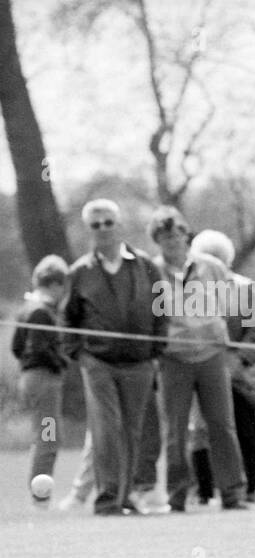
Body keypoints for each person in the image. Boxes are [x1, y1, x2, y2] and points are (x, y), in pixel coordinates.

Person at [63, 199, 167, 516]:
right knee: (106, 428)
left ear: (119, 225)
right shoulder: (79, 272)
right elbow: (68, 319)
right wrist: (79, 354)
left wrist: (155, 350)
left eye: (109, 222)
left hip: (139, 362)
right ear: (89, 230)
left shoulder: (146, 265)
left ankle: (127, 497)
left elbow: (161, 312)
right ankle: (107, 498)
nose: (104, 229)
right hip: (98, 363)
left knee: (132, 430)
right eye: (96, 225)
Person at [148, 206, 247, 511]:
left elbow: (237, 308)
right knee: (175, 431)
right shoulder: (152, 271)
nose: (173, 241)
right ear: (158, 240)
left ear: (186, 235)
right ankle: (178, 495)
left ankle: (232, 492)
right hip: (173, 360)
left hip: (212, 357)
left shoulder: (212, 268)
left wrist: (229, 346)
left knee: (221, 425)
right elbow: (150, 317)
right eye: (165, 236)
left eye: (177, 233)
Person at [187, 229, 255, 502]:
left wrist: (239, 359)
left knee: (242, 427)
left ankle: (249, 485)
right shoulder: (187, 290)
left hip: (237, 373)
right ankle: (202, 489)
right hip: (199, 368)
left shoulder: (244, 290)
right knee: (200, 431)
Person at [11, 255, 69, 503]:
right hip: (44, 379)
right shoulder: (41, 312)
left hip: (29, 377)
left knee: (44, 435)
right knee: (48, 436)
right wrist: (61, 362)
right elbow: (38, 348)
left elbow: (16, 347)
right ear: (55, 284)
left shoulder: (27, 308)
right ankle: (40, 495)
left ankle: (39, 492)